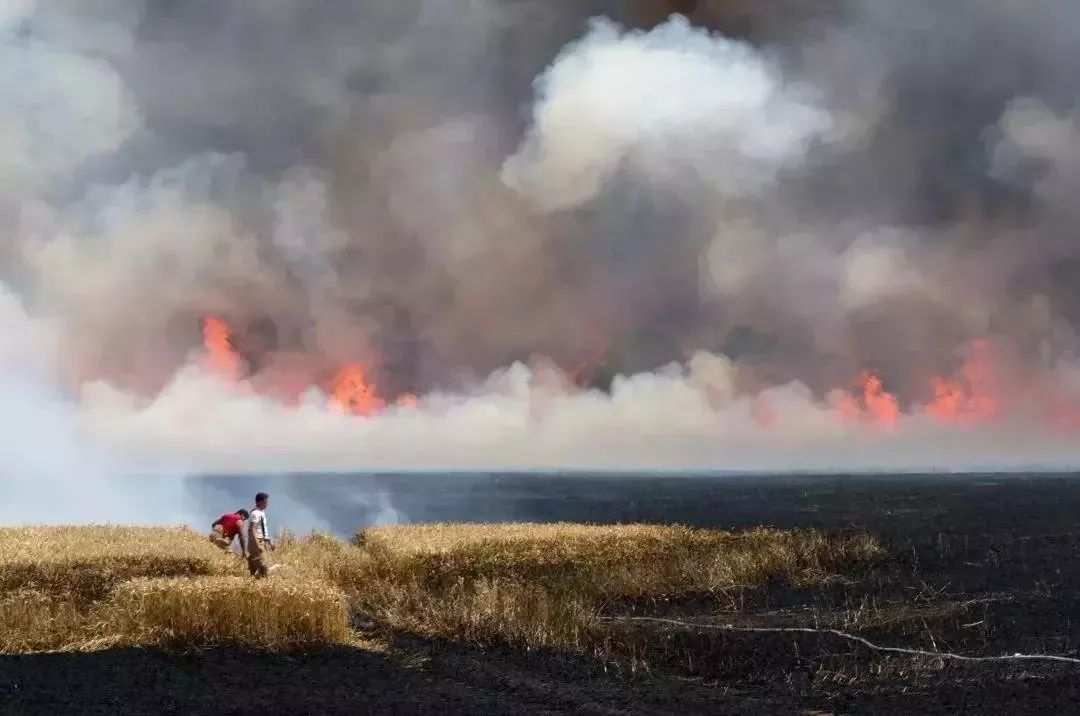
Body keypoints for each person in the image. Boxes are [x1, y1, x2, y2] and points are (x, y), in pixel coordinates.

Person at [246, 492, 275, 578]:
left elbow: (262, 530)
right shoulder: (256, 513)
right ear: (259, 502)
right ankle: (264, 585)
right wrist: (257, 544)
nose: (266, 504)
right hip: (257, 540)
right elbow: (252, 529)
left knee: (254, 568)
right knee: (263, 566)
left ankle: (253, 586)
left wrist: (270, 543)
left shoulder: (261, 513)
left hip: (259, 540)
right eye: (265, 502)